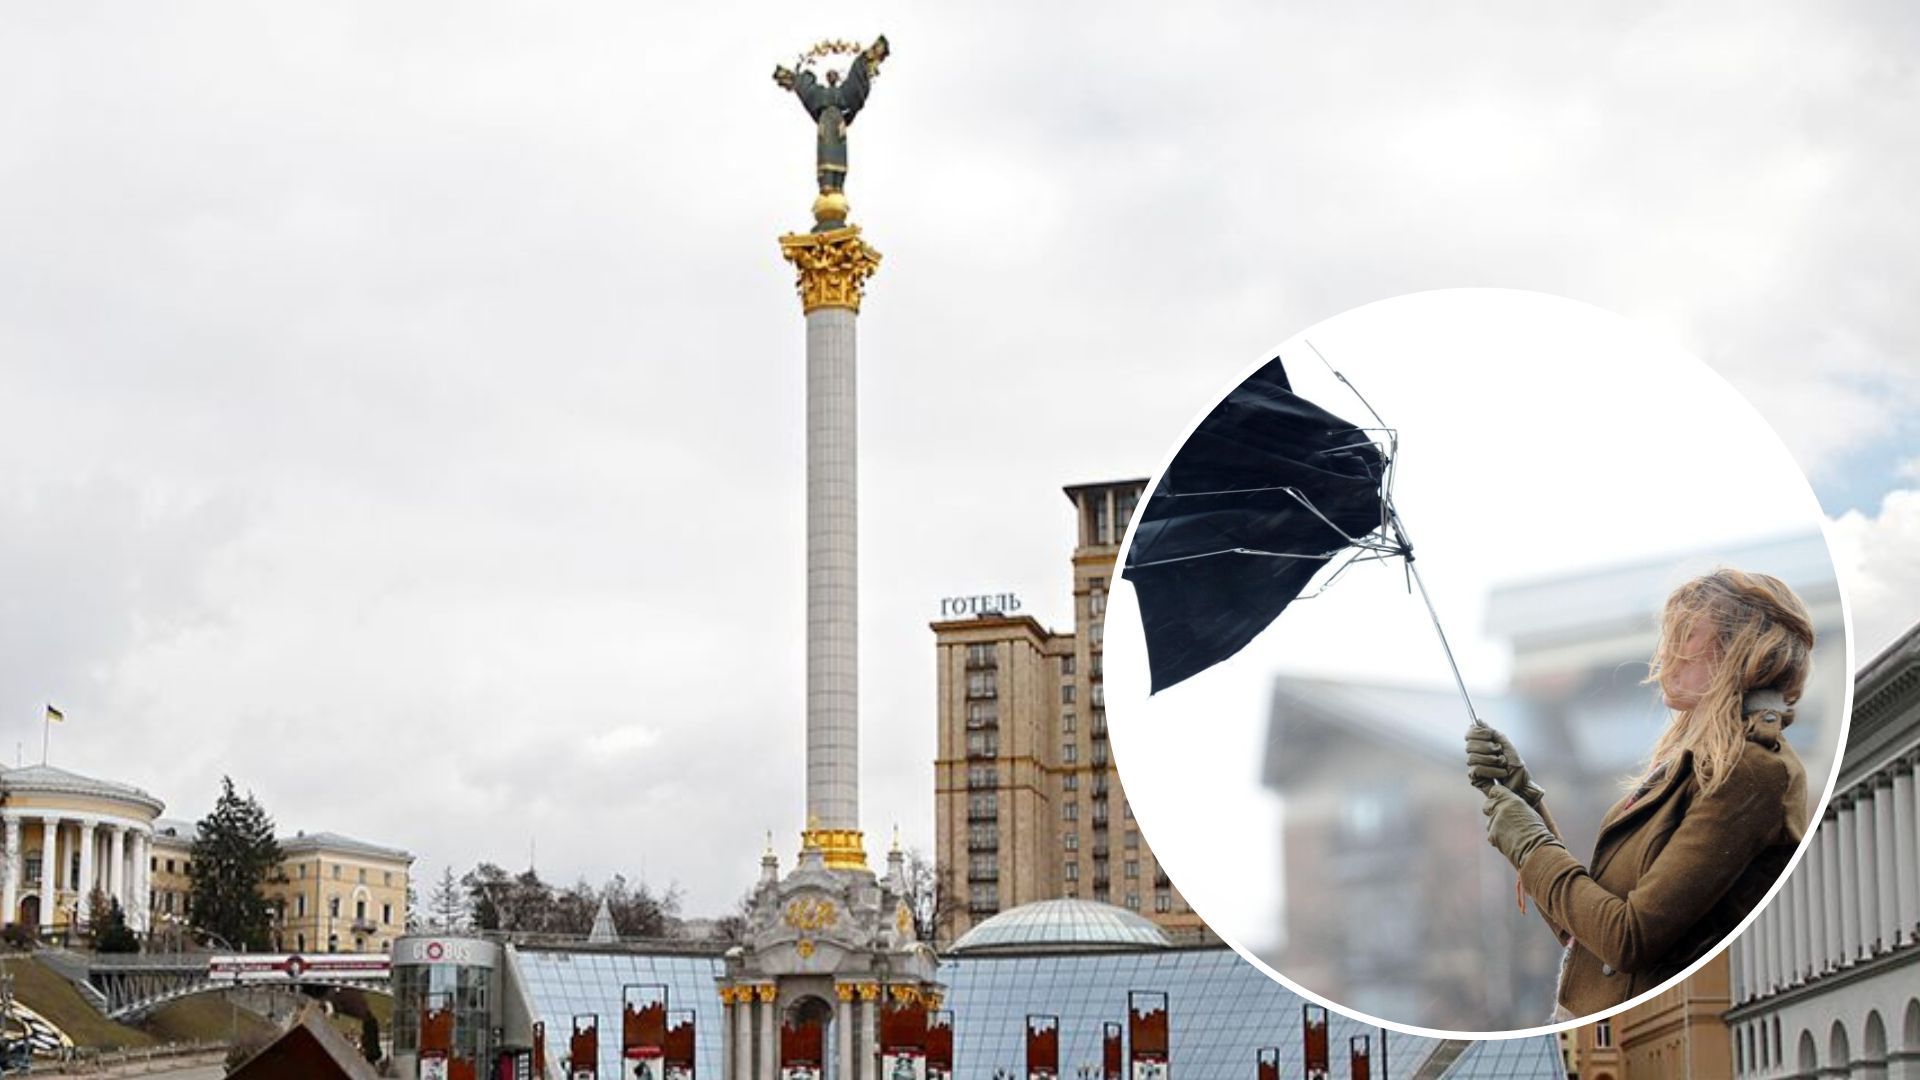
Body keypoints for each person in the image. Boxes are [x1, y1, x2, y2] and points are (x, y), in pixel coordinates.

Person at [1468, 568, 1813, 1019]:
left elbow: (1627, 939)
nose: (1666, 653)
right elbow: (1589, 933)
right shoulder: (1689, 766)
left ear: (1743, 650)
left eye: (1687, 635)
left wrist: (1532, 846)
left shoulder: (1751, 771)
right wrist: (1525, 800)